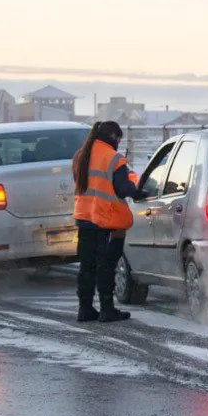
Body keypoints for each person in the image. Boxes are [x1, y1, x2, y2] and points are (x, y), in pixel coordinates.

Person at [71, 121, 143, 323]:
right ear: (114, 138)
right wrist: (137, 190)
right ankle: (107, 309)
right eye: (118, 140)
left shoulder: (79, 156)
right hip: (106, 220)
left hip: (84, 217)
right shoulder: (114, 158)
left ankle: (84, 309)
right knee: (106, 265)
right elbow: (122, 189)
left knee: (87, 267)